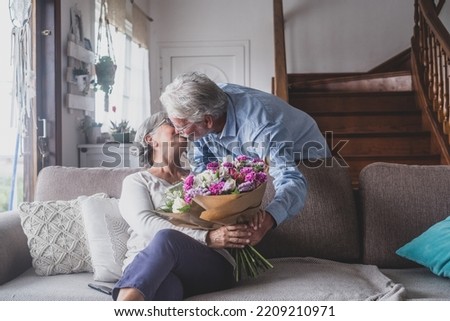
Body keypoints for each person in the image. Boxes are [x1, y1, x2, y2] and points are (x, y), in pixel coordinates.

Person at [160, 72, 331, 246]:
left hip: (305, 156)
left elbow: (291, 179)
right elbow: (202, 166)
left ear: (208, 121)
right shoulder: (205, 106)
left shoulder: (261, 128)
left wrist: (268, 220)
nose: (179, 133)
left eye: (181, 128)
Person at [113, 111, 260, 301]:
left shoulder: (205, 177)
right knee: (165, 288)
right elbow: (145, 223)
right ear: (150, 139)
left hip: (208, 265)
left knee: (167, 238)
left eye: (181, 121)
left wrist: (248, 217)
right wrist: (207, 237)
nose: (179, 126)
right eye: (170, 122)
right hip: (151, 269)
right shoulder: (137, 181)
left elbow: (230, 213)